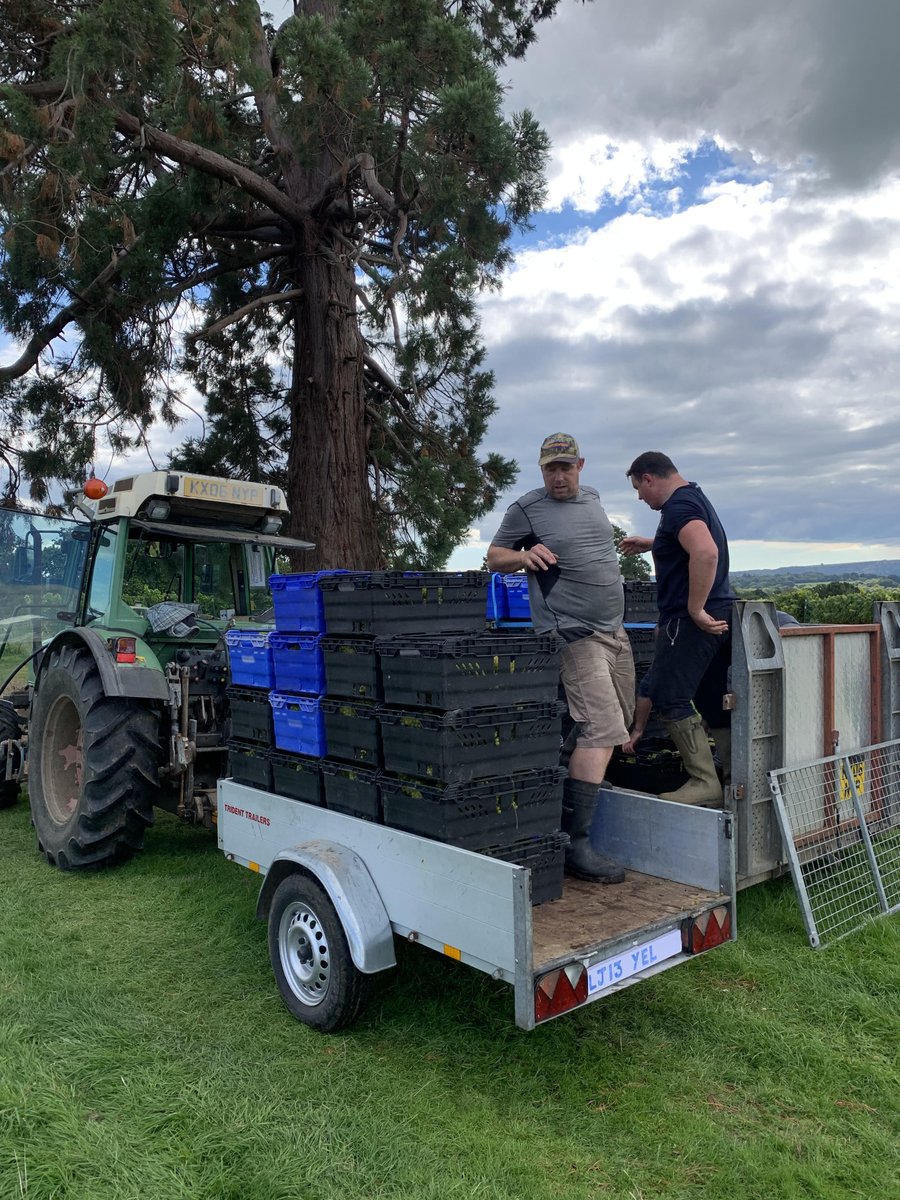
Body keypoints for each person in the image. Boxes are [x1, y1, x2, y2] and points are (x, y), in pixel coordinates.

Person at [487, 433, 634, 884]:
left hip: (615, 632)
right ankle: (576, 844)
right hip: (572, 634)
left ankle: (569, 789)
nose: (558, 476)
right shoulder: (526, 509)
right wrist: (524, 555)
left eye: (565, 467)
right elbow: (494, 557)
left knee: (619, 720)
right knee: (601, 729)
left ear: (581, 466)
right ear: (541, 470)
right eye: (550, 468)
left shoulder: (591, 498)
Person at [620, 451, 736, 806]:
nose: (640, 497)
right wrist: (654, 543)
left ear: (649, 478)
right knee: (709, 696)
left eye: (639, 489)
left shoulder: (676, 506)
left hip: (691, 621)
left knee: (670, 695)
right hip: (724, 614)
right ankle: (732, 775)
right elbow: (689, 543)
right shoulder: (695, 496)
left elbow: (705, 552)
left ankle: (704, 781)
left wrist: (694, 608)